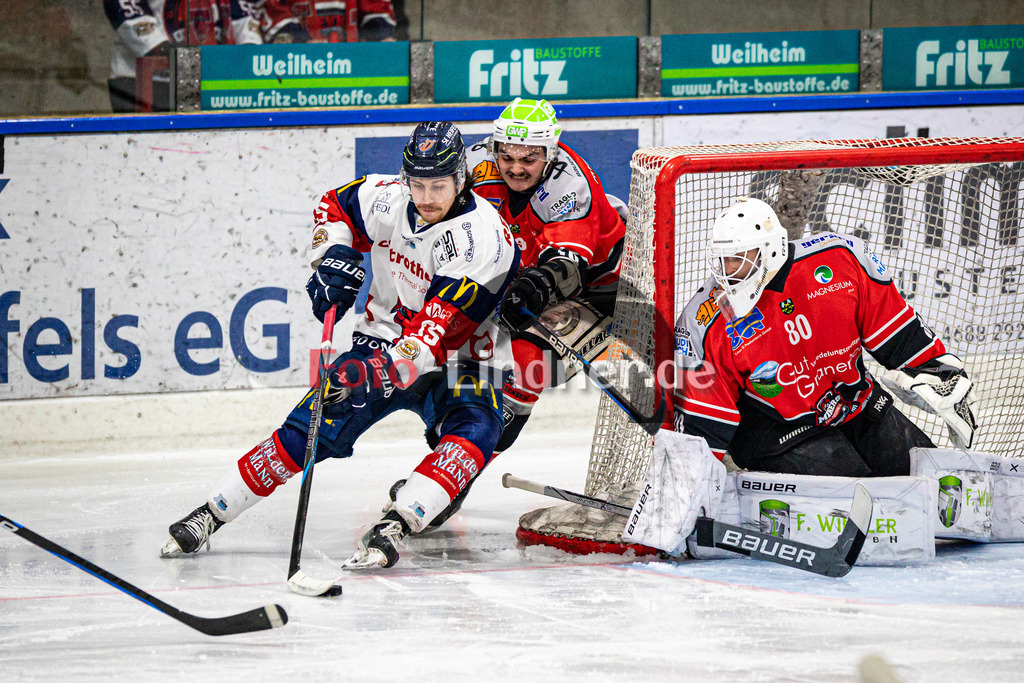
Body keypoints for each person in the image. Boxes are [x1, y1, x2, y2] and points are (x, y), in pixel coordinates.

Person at [160, 121, 520, 569]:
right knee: (310, 426)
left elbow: (431, 336)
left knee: (477, 432)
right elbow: (333, 206)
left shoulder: (479, 240)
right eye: (418, 184)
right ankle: (211, 512)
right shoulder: (390, 196)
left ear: (461, 177)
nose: (426, 198)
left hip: (462, 351)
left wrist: (375, 374)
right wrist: (331, 258)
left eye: (439, 185)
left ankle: (398, 522)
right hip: (383, 335)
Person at [383, 98, 627, 528]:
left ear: (550, 152)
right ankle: (448, 462)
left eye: (529, 158)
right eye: (507, 155)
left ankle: (451, 482)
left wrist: (531, 286)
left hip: (594, 292)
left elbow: (567, 270)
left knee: (521, 373)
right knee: (462, 371)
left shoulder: (571, 187)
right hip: (518, 278)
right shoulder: (475, 165)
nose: (516, 168)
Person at [673, 196, 977, 477]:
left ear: (769, 249)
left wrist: (940, 373)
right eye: (723, 259)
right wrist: (691, 484)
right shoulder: (705, 320)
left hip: (855, 406)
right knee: (866, 504)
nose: (728, 271)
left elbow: (898, 333)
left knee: (938, 483)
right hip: (778, 431)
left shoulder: (842, 260)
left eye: (738, 258)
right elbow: (702, 426)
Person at [102, 0, 262, 113]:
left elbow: (243, 13)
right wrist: (160, 47)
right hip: (143, 81)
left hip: (206, 81)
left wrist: (249, 47)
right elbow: (121, 5)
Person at [252, 0, 397, 43]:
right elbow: (270, 7)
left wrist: (381, 35)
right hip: (297, 66)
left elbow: (376, 8)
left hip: (349, 64)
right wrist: (298, 38)